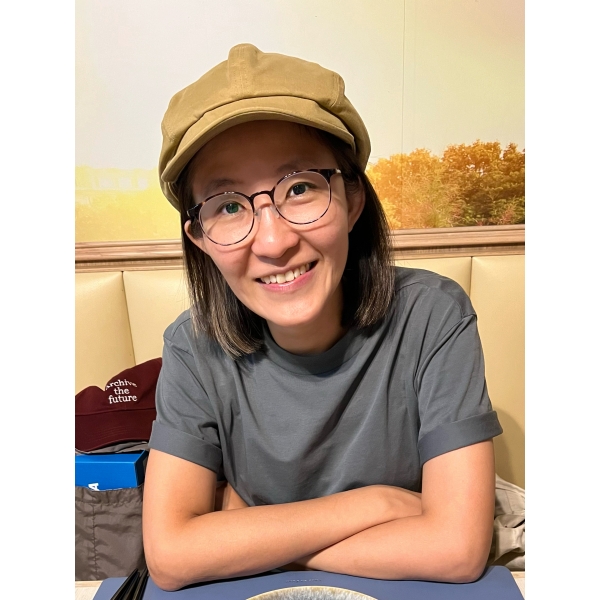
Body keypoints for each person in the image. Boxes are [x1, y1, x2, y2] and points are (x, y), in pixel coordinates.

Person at [142, 43, 503, 591]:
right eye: (229, 206)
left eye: (300, 188)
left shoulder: (432, 316)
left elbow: (456, 550)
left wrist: (243, 537)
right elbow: (171, 557)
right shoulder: (193, 347)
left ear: (353, 199)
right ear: (200, 239)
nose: (274, 242)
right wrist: (378, 504)